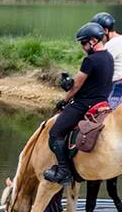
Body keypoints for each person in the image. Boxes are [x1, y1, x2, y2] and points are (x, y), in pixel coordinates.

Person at [44, 22, 114, 184]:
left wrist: (64, 100)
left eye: (84, 42)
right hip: (103, 103)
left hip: (84, 104)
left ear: (94, 41)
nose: (82, 47)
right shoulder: (109, 57)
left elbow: (76, 85)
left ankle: (64, 171)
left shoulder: (90, 60)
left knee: (55, 133)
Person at [91, 12, 122, 108]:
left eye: (98, 34)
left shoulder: (113, 44)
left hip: (120, 86)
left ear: (106, 30)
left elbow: (97, 66)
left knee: (107, 113)